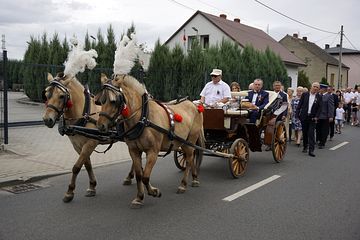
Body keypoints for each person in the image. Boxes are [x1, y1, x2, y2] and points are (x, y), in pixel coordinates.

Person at [296, 82, 322, 157]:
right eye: (314, 86)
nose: (315, 88)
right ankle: (305, 146)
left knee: (311, 133)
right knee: (305, 132)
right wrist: (297, 114)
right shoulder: (305, 94)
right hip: (304, 116)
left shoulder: (319, 97)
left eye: (317, 87)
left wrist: (317, 116)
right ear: (311, 86)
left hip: (313, 118)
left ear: (318, 89)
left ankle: (311, 150)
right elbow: (300, 105)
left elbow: (320, 108)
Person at [316, 84, 334, 149]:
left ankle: (322, 142)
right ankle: (318, 140)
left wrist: (331, 116)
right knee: (318, 129)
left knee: (324, 130)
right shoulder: (318, 95)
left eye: (320, 88)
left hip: (325, 116)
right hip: (318, 116)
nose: (319, 89)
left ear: (323, 89)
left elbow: (331, 107)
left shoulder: (329, 96)